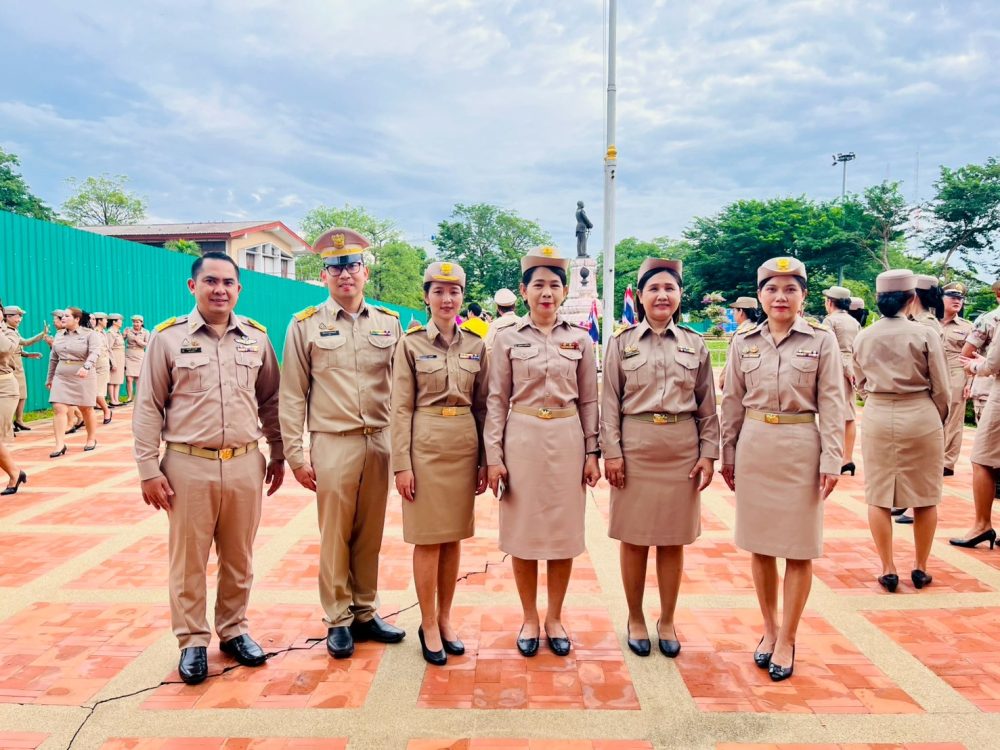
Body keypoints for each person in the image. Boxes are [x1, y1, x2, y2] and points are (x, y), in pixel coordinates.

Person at [132, 252, 284, 685]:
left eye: (228, 282)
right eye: (211, 281)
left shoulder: (256, 338)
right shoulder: (167, 338)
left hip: (244, 463)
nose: (220, 290)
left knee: (239, 556)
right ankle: (192, 640)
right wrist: (148, 468)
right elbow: (148, 406)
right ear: (193, 286)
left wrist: (278, 452)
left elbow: (271, 399)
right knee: (189, 559)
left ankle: (233, 630)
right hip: (187, 465)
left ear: (239, 288)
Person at [279, 227, 406, 660]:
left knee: (370, 533)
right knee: (335, 534)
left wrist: (405, 449)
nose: (344, 274)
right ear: (324, 275)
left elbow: (402, 391)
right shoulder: (305, 325)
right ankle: (338, 617)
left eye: (352, 265)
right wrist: (295, 455)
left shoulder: (388, 323)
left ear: (365, 271)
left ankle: (365, 611)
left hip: (380, 441)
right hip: (333, 442)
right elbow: (292, 394)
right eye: (335, 267)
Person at [720, 256, 843, 682]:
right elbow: (732, 402)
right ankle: (769, 628)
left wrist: (832, 458)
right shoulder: (743, 342)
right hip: (755, 445)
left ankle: (788, 637)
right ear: (760, 295)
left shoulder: (822, 341)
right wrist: (728, 452)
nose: (780, 297)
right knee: (760, 545)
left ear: (803, 296)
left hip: (800, 446)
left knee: (799, 547)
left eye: (790, 289)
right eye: (771, 289)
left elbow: (833, 402)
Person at [485, 245, 601, 658]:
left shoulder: (580, 340)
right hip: (522, 437)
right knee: (524, 533)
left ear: (565, 291)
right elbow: (496, 399)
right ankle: (529, 617)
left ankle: (554, 616)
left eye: (554, 285)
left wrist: (592, 452)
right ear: (524, 290)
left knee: (563, 534)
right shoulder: (506, 339)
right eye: (538, 285)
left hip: (567, 438)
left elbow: (590, 400)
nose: (546, 292)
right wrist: (494, 456)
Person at [601, 258, 718, 658]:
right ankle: (635, 617)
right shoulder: (621, 343)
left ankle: (667, 619)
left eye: (670, 288)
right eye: (653, 288)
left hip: (681, 450)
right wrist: (612, 452)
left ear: (680, 295)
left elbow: (708, 405)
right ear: (640, 296)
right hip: (636, 447)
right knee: (634, 539)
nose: (662, 295)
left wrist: (708, 454)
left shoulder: (695, 343)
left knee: (673, 540)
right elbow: (609, 402)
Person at [390, 261, 488, 666]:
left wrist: (485, 460)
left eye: (455, 292)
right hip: (425, 447)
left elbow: (483, 406)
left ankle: (446, 618)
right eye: (439, 291)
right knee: (428, 538)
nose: (447, 299)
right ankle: (427, 622)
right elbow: (399, 407)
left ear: (462, 297)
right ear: (426, 296)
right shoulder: (410, 344)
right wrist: (402, 464)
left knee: (453, 537)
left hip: (463, 445)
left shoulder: (477, 344)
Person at [853, 270, 949, 590]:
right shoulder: (925, 334)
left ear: (878, 299)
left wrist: (876, 397)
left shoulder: (864, 336)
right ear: (911, 298)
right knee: (926, 496)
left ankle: (888, 568)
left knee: (878, 495)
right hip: (921, 413)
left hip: (878, 414)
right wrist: (937, 417)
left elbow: (860, 382)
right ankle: (920, 567)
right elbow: (941, 387)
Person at [894, 275, 944, 525]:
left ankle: (916, 506)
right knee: (905, 456)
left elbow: (935, 372)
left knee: (921, 460)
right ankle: (906, 499)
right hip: (910, 400)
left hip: (923, 398)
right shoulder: (913, 322)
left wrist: (938, 410)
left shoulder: (928, 325)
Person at [821, 286, 862, 476]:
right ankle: (848, 458)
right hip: (852, 365)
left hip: (836, 367)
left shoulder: (830, 321)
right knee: (849, 415)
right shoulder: (854, 322)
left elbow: (828, 347)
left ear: (830, 302)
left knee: (832, 414)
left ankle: (835, 457)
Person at [939, 283, 973, 476]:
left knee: (953, 419)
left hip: (956, 372)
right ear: (940, 299)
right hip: (931, 372)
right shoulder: (928, 323)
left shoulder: (967, 327)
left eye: (960, 298)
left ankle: (947, 462)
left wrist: (970, 383)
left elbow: (973, 356)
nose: (957, 300)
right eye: (952, 296)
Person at [2, 305, 46, 432]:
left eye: (20, 316)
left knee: (22, 395)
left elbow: (22, 344)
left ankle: (19, 420)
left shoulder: (13, 330)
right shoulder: (5, 331)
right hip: (10, 367)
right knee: (12, 396)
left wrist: (26, 354)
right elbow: (6, 349)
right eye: (18, 316)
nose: (20, 319)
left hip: (18, 366)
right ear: (7, 317)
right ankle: (8, 423)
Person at [0, 302, 27, 494]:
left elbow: (5, 349)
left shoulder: (9, 333)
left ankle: (15, 473)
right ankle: (15, 473)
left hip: (4, 388)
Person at [89, 313, 113, 425]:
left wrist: (112, 362)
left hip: (102, 364)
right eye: (105, 319)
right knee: (90, 392)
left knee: (98, 392)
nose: (107, 322)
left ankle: (106, 410)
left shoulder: (103, 332)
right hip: (91, 364)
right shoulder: (91, 332)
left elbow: (107, 349)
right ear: (100, 321)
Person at [485, 288, 519, 354]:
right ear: (514, 306)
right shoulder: (523, 322)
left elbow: (487, 348)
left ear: (498, 308)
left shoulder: (495, 324)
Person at [124, 314, 149, 403]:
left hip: (139, 355)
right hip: (129, 355)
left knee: (138, 378)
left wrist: (138, 341)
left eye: (137, 322)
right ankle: (129, 397)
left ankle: (137, 397)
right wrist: (124, 335)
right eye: (134, 322)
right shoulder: (128, 330)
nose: (135, 324)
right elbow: (121, 340)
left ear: (142, 323)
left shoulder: (146, 332)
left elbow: (147, 344)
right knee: (129, 378)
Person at [107, 314, 126, 406]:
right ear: (114, 322)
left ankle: (116, 399)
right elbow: (109, 348)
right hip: (114, 357)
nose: (121, 322)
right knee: (112, 380)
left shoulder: (118, 332)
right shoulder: (110, 333)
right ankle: (112, 399)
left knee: (118, 379)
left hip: (120, 357)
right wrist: (112, 362)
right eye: (119, 320)